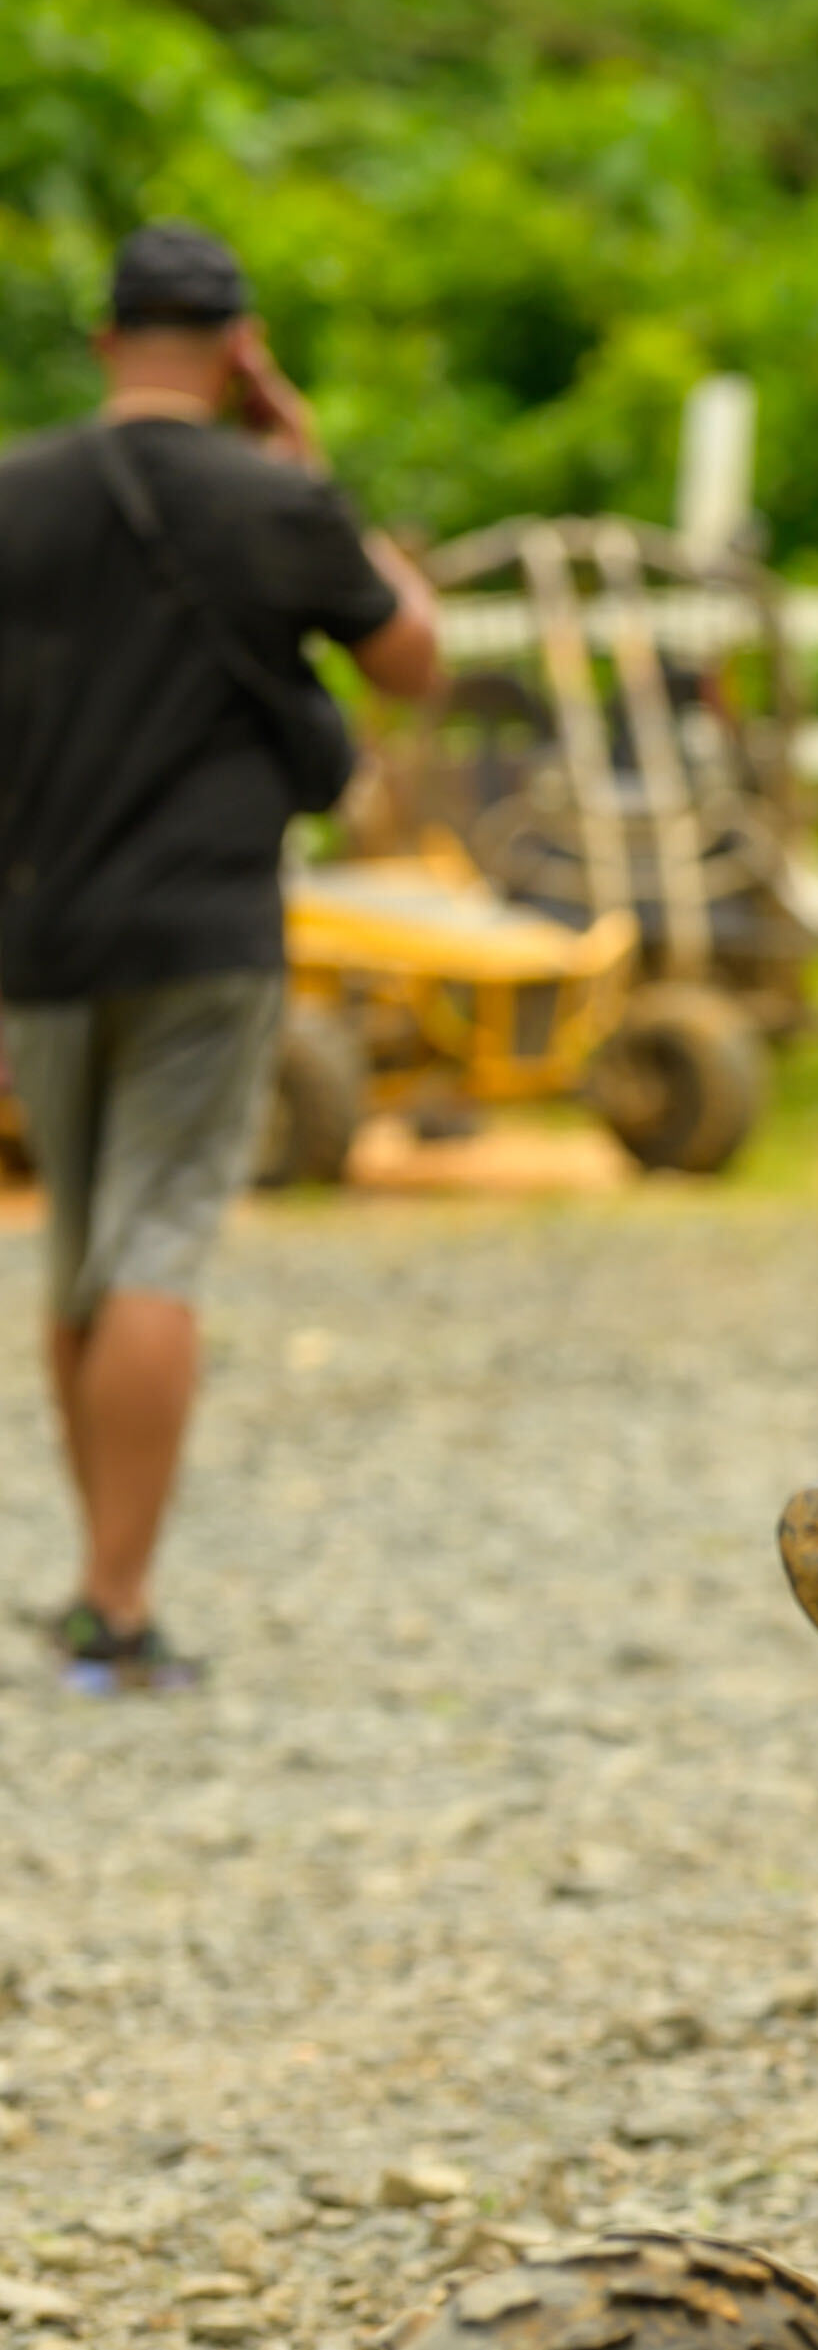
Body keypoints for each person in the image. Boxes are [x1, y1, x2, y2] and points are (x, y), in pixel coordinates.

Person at [0, 226, 438, 1693]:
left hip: (46, 928)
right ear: (241, 345)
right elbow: (414, 657)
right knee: (159, 1244)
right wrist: (311, 461)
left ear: (107, 340)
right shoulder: (277, 498)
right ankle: (119, 1608)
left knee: (79, 1256)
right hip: (209, 929)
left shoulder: (17, 496)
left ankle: (93, 1581)